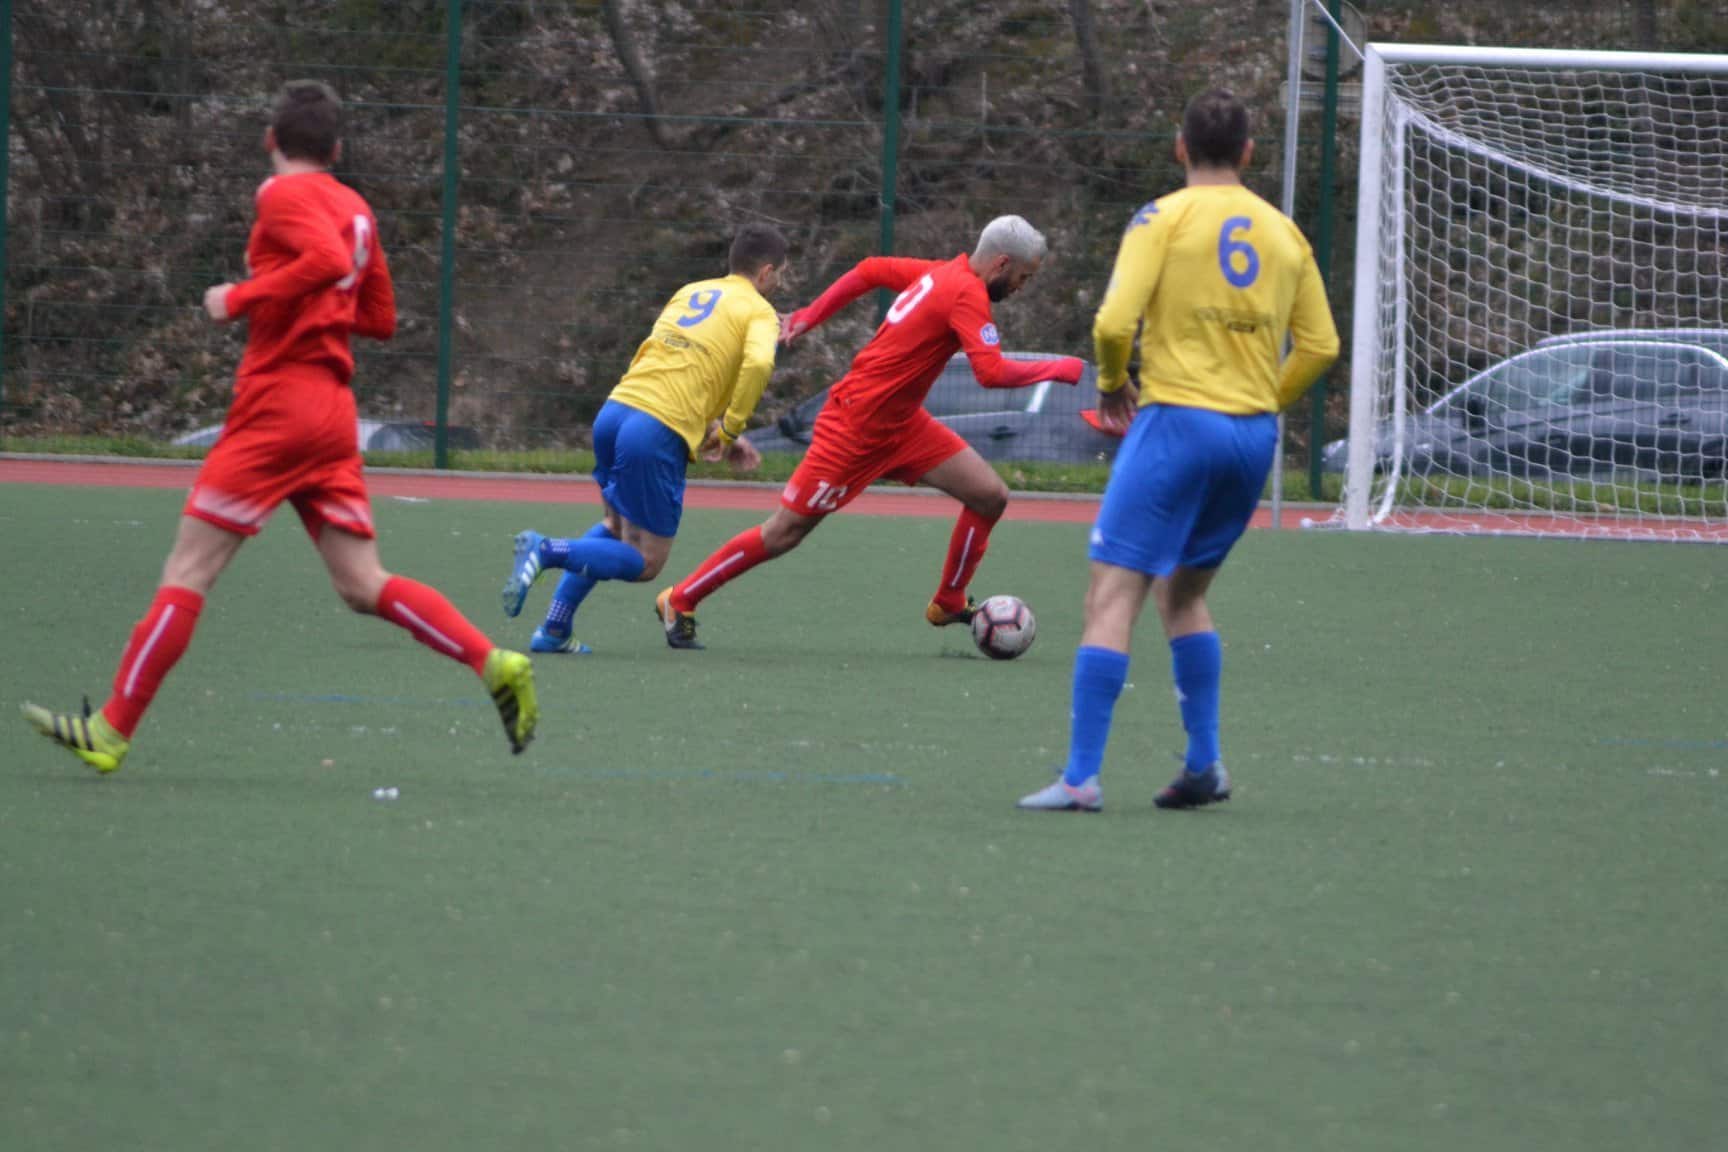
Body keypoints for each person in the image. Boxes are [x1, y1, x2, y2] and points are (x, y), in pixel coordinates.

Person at [21, 80, 539, 772]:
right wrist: (319, 311)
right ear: (337, 149)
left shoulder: (281, 195)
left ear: (270, 140)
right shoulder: (357, 207)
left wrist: (238, 297)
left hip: (277, 405)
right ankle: (492, 659)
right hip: (332, 413)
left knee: (189, 568)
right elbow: (379, 318)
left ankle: (112, 730)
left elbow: (321, 262)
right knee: (362, 583)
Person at [1017, 88, 1339, 813]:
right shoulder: (1285, 233)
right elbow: (1321, 346)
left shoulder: (1161, 218)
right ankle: (1204, 765)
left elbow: (1110, 324)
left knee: (1111, 594)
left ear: (1179, 147)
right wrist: (1263, 400)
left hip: (1177, 422)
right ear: (1251, 153)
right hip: (1251, 436)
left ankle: (1079, 778)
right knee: (1185, 593)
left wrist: (1110, 386)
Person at [653, 215, 1085, 649]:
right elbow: (990, 372)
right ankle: (681, 598)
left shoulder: (941, 273)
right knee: (784, 532)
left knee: (990, 496)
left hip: (902, 426)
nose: (1020, 287)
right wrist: (1062, 368)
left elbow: (871, 269)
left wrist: (808, 316)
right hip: (854, 429)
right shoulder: (966, 293)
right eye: (1022, 278)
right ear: (1001, 263)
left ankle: (949, 601)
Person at [499, 225, 785, 652]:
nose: (779, 282)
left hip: (616, 412)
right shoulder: (759, 312)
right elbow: (760, 362)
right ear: (765, 273)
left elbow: (671, 365)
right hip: (653, 432)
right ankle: (546, 549)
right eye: (781, 274)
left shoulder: (692, 291)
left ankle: (555, 630)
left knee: (618, 529)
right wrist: (731, 428)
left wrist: (710, 429)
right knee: (646, 561)